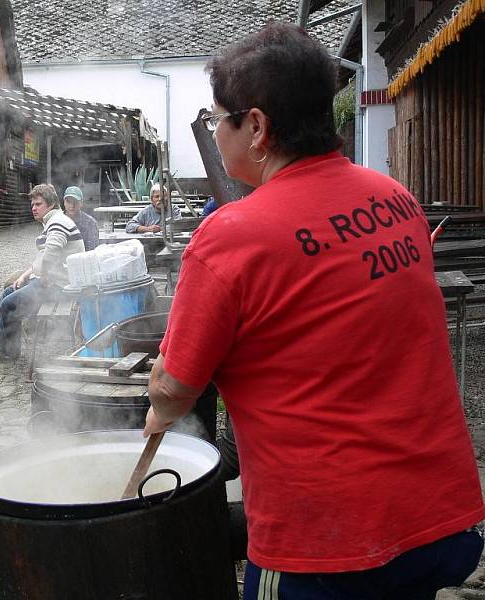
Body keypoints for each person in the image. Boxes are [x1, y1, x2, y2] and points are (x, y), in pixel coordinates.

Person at [144, 22, 484, 600]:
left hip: (326, 548)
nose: (215, 131)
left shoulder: (229, 236)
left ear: (255, 127)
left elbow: (176, 386)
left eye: (215, 117)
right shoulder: (395, 200)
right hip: (440, 519)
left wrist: (157, 408)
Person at [0, 183, 84, 359]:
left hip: (60, 287)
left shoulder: (58, 222)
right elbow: (43, 256)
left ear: (51, 204)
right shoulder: (53, 222)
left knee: (9, 304)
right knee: (8, 291)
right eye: (32, 205)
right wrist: (25, 276)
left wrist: (44, 275)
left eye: (38, 204)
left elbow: (51, 253)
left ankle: (8, 350)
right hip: (53, 282)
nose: (34, 208)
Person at [63, 185, 99, 251]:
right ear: (64, 202)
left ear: (81, 203)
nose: (72, 205)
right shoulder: (56, 220)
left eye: (75, 202)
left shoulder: (90, 223)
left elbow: (91, 251)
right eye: (69, 201)